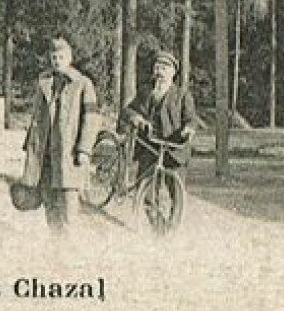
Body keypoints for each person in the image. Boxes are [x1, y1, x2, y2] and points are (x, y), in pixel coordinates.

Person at [20, 38, 101, 232]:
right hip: (46, 153)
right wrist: (30, 147)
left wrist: (84, 149)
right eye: (54, 57)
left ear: (70, 58)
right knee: (49, 202)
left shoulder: (82, 84)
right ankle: (55, 247)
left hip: (69, 153)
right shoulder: (44, 83)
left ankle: (70, 249)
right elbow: (37, 116)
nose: (57, 61)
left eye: (61, 57)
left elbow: (91, 118)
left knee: (68, 205)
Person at [121, 51, 197, 183]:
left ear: (173, 73)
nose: (159, 73)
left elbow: (191, 118)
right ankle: (146, 202)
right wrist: (136, 118)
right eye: (156, 68)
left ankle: (177, 203)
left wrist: (188, 129)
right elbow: (128, 110)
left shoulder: (182, 95)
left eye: (164, 69)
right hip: (149, 145)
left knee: (176, 187)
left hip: (174, 147)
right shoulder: (145, 92)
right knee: (145, 185)